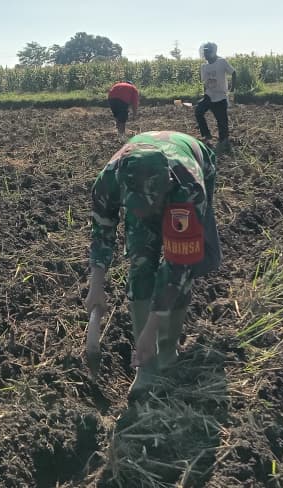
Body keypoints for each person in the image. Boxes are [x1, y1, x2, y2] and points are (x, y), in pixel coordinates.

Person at [84, 130, 222, 397]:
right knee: (140, 262)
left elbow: (178, 267)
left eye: (149, 205)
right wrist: (96, 284)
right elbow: (102, 231)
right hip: (147, 172)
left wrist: (153, 327)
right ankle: (146, 368)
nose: (144, 212)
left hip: (193, 163)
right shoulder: (110, 180)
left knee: (185, 259)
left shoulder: (188, 189)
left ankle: (168, 351)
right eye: (136, 205)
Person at [195, 42, 236, 147]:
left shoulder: (221, 62)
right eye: (204, 52)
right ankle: (207, 134)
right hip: (209, 96)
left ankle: (224, 139)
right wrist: (204, 94)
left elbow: (233, 72)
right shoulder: (204, 66)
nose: (206, 55)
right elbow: (205, 82)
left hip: (220, 96)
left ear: (213, 52)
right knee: (198, 112)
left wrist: (232, 88)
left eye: (207, 52)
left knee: (221, 120)